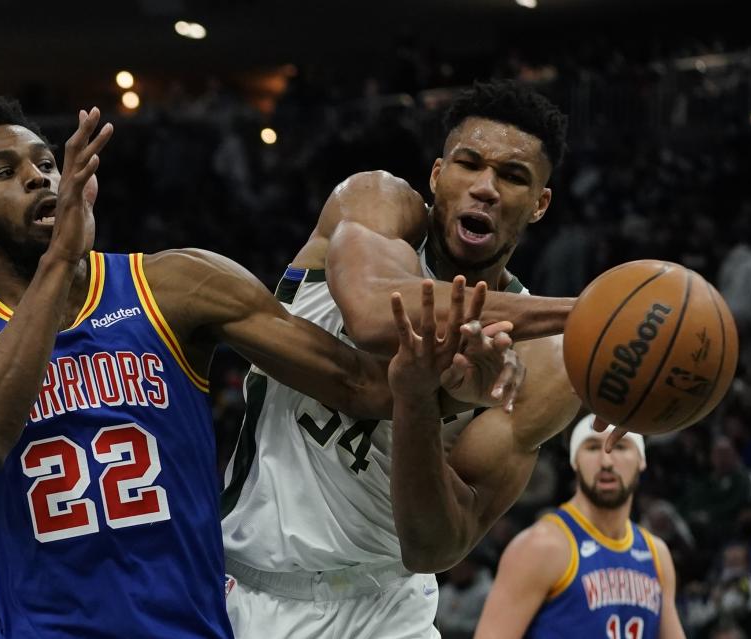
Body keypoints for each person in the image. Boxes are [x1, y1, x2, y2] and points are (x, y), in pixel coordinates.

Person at [0, 97, 523, 638]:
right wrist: (61, 260)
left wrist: (457, 386)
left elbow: (357, 382)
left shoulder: (173, 283)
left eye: (44, 162)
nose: (39, 179)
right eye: (5, 174)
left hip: (190, 625)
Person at [221, 79, 584, 638]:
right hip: (250, 589)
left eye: (512, 176)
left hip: (389, 605)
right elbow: (372, 313)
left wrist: (418, 403)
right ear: (438, 176)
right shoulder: (374, 202)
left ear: (539, 204)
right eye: (470, 164)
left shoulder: (546, 364)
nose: (485, 188)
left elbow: (434, 545)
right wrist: (587, 311)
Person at [472, 415, 685, 638]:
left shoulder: (655, 554)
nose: (606, 462)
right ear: (575, 460)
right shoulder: (541, 547)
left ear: (641, 460)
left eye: (621, 447)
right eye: (592, 448)